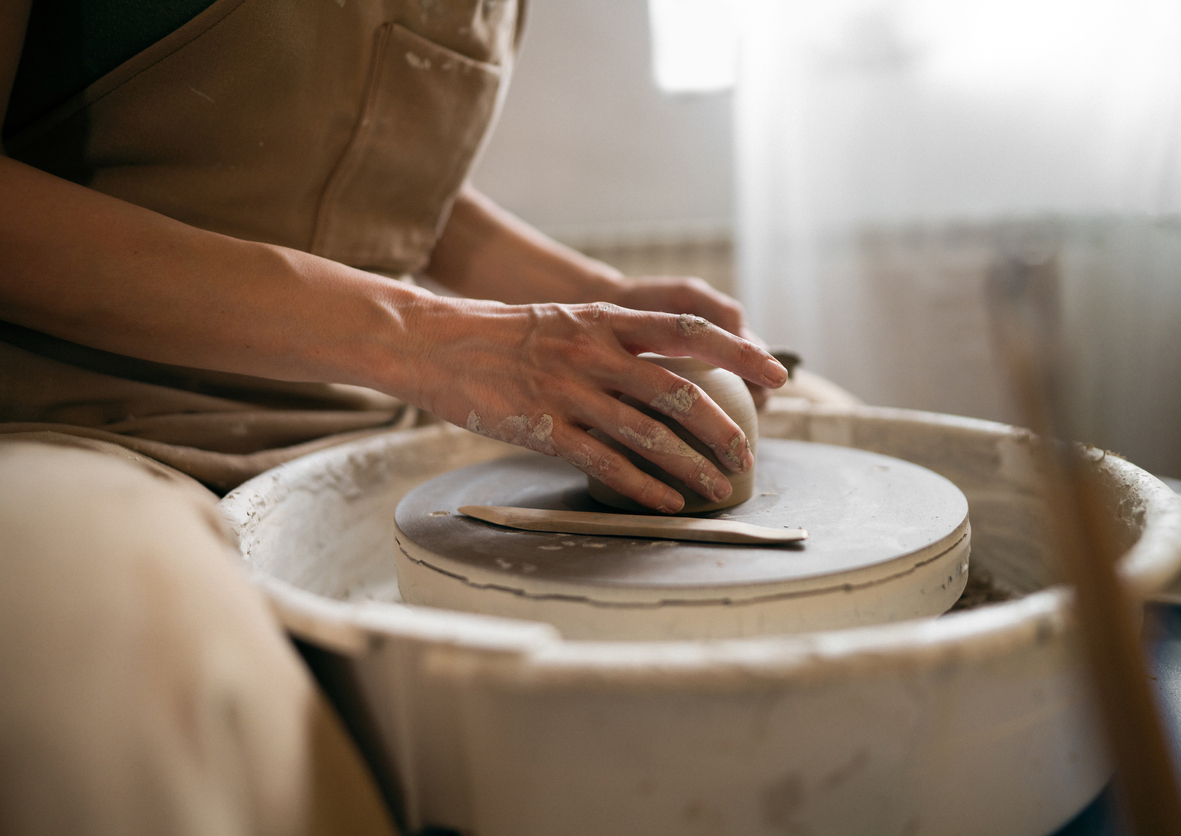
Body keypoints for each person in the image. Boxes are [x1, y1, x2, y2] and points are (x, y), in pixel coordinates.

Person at [0, 1, 787, 833]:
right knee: (80, 641)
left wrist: (587, 293)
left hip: (381, 403)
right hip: (93, 423)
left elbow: (369, 163)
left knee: (817, 416)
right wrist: (426, 338)